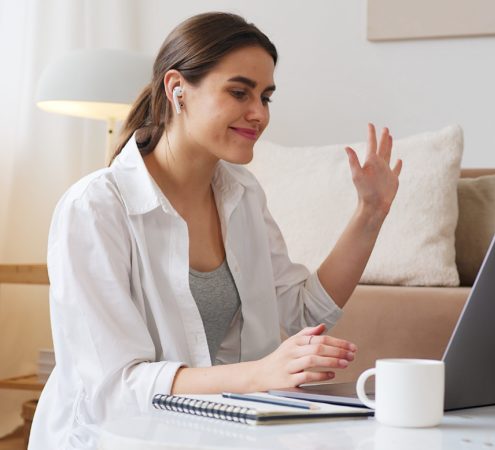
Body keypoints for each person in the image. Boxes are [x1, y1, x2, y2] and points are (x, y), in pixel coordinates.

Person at [28, 11, 402, 450]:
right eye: (239, 92)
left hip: (216, 431)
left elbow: (303, 311)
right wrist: (260, 374)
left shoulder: (242, 193)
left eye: (266, 97)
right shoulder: (94, 208)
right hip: (116, 437)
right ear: (177, 89)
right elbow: (115, 388)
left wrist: (370, 213)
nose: (258, 114)